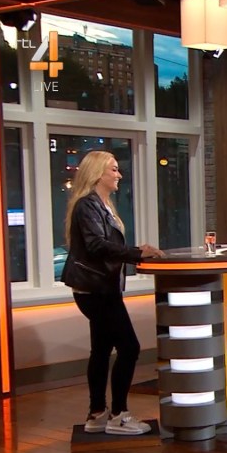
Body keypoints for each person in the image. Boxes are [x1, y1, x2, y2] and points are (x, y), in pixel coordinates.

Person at [60, 150, 164, 435]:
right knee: (130, 348)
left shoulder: (102, 205)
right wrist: (136, 253)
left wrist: (134, 253)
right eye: (114, 169)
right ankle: (119, 415)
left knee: (102, 350)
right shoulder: (87, 205)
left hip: (103, 288)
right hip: (95, 290)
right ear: (98, 173)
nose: (119, 175)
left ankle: (97, 414)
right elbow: (96, 245)